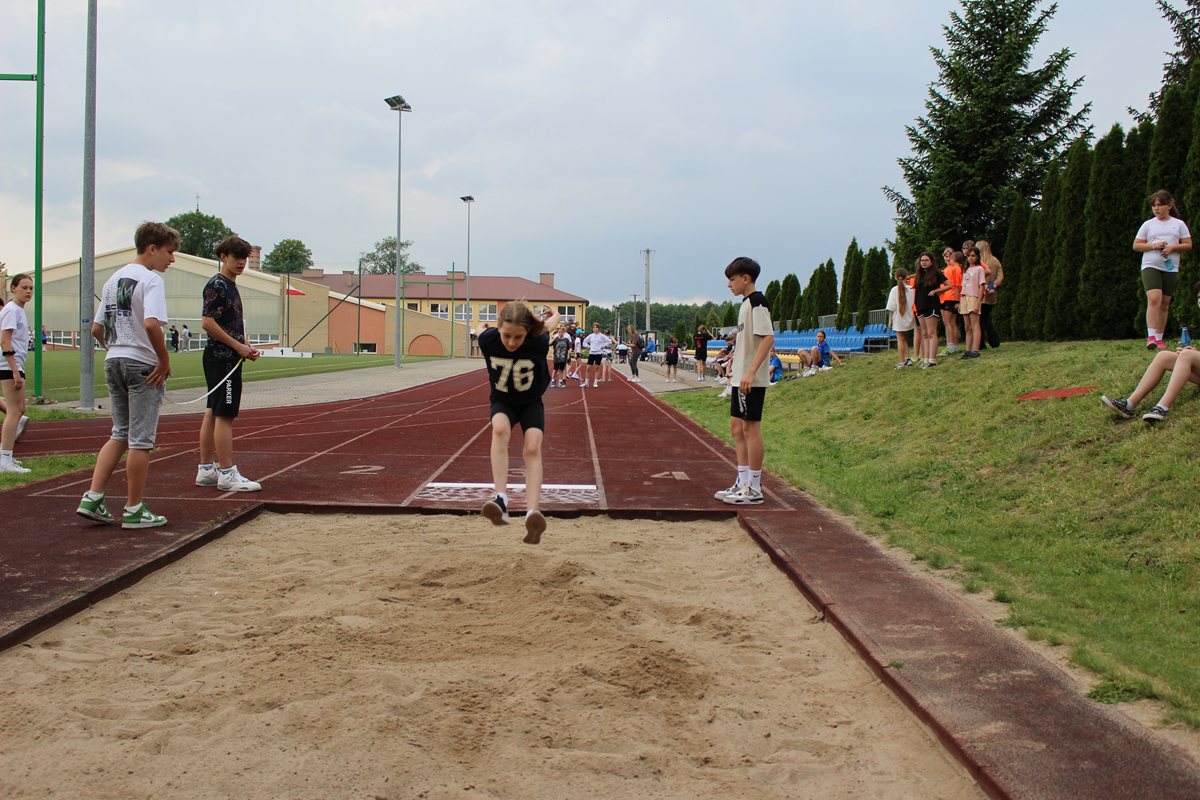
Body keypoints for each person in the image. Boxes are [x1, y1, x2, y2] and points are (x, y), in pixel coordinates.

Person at [75, 221, 176, 528]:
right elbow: (151, 324)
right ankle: (134, 509)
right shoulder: (151, 280)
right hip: (141, 363)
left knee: (119, 432)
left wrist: (116, 348)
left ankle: (93, 496)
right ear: (152, 248)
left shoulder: (112, 280)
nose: (172, 259)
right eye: (169, 252)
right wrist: (163, 360)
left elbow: (96, 328)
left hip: (114, 359)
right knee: (140, 440)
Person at [477, 301, 561, 544]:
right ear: (499, 328)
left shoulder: (538, 340)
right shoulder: (488, 340)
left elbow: (550, 324)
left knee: (532, 448)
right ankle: (501, 499)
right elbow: (480, 330)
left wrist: (555, 313)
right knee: (499, 430)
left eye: (518, 337)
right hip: (502, 400)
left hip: (531, 403)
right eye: (507, 336)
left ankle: (532, 513)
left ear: (527, 333)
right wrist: (481, 327)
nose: (512, 342)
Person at [195, 235, 263, 493]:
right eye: (237, 257)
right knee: (224, 415)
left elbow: (229, 323)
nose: (242, 262)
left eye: (244, 258)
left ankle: (206, 469)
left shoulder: (230, 285)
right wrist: (237, 346)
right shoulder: (218, 285)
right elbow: (208, 322)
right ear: (223, 257)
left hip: (228, 356)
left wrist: (244, 344)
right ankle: (226, 472)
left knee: (212, 412)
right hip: (222, 359)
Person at [713, 257, 774, 505]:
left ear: (746, 278)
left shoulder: (758, 302)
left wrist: (750, 372)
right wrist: (734, 368)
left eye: (732, 279)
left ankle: (755, 488)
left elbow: (768, 338)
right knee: (736, 428)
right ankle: (742, 480)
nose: (729, 285)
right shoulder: (745, 304)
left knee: (750, 429)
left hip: (752, 379)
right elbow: (745, 342)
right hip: (739, 376)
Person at [1134, 189, 1192, 350]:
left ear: (1170, 205)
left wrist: (1172, 247)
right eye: (1154, 206)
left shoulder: (1179, 224)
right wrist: (1154, 245)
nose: (1156, 209)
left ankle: (1159, 339)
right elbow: (1137, 245)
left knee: (1165, 303)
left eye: (1160, 205)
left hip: (1171, 267)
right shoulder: (1148, 224)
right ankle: (1151, 337)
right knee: (1154, 299)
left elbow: (1188, 244)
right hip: (1150, 265)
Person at [0, 273, 33, 473]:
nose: (28, 291)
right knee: (14, 411)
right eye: (24, 287)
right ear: (13, 288)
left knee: (19, 409)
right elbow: (5, 340)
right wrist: (14, 370)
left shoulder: (17, 310)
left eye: (31, 288)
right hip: (8, 365)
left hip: (14, 364)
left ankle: (5, 455)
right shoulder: (12, 310)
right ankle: (5, 460)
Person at [914, 251, 950, 368]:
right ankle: (925, 358)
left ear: (931, 262)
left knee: (931, 333)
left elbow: (950, 285)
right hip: (920, 306)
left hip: (931, 305)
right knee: (924, 334)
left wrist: (937, 291)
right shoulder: (919, 274)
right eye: (922, 260)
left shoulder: (936, 273)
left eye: (926, 260)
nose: (924, 262)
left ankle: (932, 359)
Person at [959, 247, 986, 358]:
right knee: (967, 326)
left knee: (975, 324)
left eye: (973, 256)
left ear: (977, 257)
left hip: (973, 297)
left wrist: (978, 302)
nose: (970, 258)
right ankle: (968, 349)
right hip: (964, 297)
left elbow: (981, 286)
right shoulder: (966, 269)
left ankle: (976, 349)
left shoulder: (979, 269)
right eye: (969, 256)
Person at [886, 267, 916, 368]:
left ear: (895, 277)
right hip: (910, 316)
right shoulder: (912, 289)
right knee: (904, 339)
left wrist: (890, 320)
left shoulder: (894, 290)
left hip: (899, 317)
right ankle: (907, 359)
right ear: (906, 276)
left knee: (900, 339)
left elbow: (891, 307)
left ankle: (902, 361)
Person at [976, 239, 1004, 349]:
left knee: (981, 319)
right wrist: (994, 286)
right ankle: (993, 340)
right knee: (986, 317)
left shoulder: (980, 263)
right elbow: (1000, 276)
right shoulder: (995, 261)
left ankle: (982, 342)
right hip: (992, 294)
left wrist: (985, 287)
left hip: (980, 293)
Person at [939, 246, 962, 355]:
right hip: (944, 297)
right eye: (945, 256)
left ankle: (951, 345)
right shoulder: (946, 269)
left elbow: (957, 285)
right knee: (950, 322)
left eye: (949, 256)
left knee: (948, 322)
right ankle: (954, 345)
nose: (947, 258)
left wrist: (957, 301)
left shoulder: (955, 269)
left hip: (950, 297)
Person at [581, 323, 609, 387]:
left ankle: (595, 382)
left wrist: (602, 346)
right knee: (588, 368)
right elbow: (584, 342)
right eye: (594, 327)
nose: (595, 329)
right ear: (592, 328)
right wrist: (589, 347)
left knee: (597, 368)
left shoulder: (601, 336)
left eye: (596, 327)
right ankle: (586, 382)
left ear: (598, 328)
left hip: (599, 353)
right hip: (592, 353)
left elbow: (609, 341)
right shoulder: (591, 335)